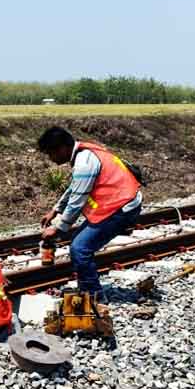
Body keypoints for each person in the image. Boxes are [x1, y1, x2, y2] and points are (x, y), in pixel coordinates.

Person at [37, 127, 142, 303]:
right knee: (79, 245)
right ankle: (88, 289)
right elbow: (75, 186)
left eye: (50, 153)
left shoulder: (84, 162)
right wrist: (56, 209)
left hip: (122, 206)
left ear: (62, 148)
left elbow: (77, 200)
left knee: (80, 248)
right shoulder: (83, 154)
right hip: (118, 203)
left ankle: (94, 298)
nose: (51, 158)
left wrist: (58, 228)